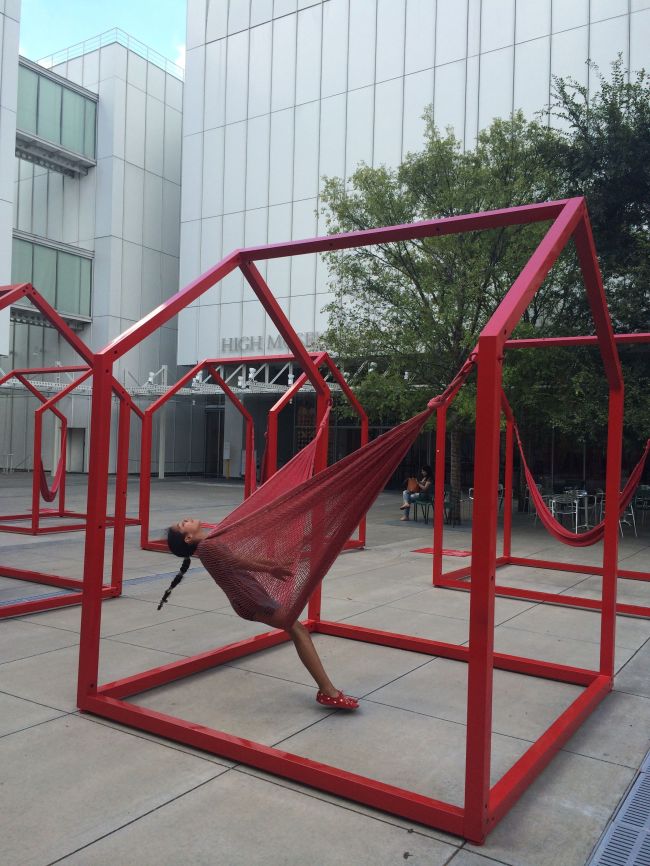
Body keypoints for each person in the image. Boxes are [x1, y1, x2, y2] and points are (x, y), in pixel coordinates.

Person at [163, 517, 358, 710]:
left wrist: (272, 565)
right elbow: (238, 562)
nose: (186, 520)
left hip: (251, 597)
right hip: (251, 600)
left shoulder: (209, 544)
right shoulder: (207, 548)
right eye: (182, 524)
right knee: (298, 630)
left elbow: (240, 560)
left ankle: (327, 690)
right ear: (188, 538)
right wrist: (271, 567)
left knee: (297, 630)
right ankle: (327, 691)